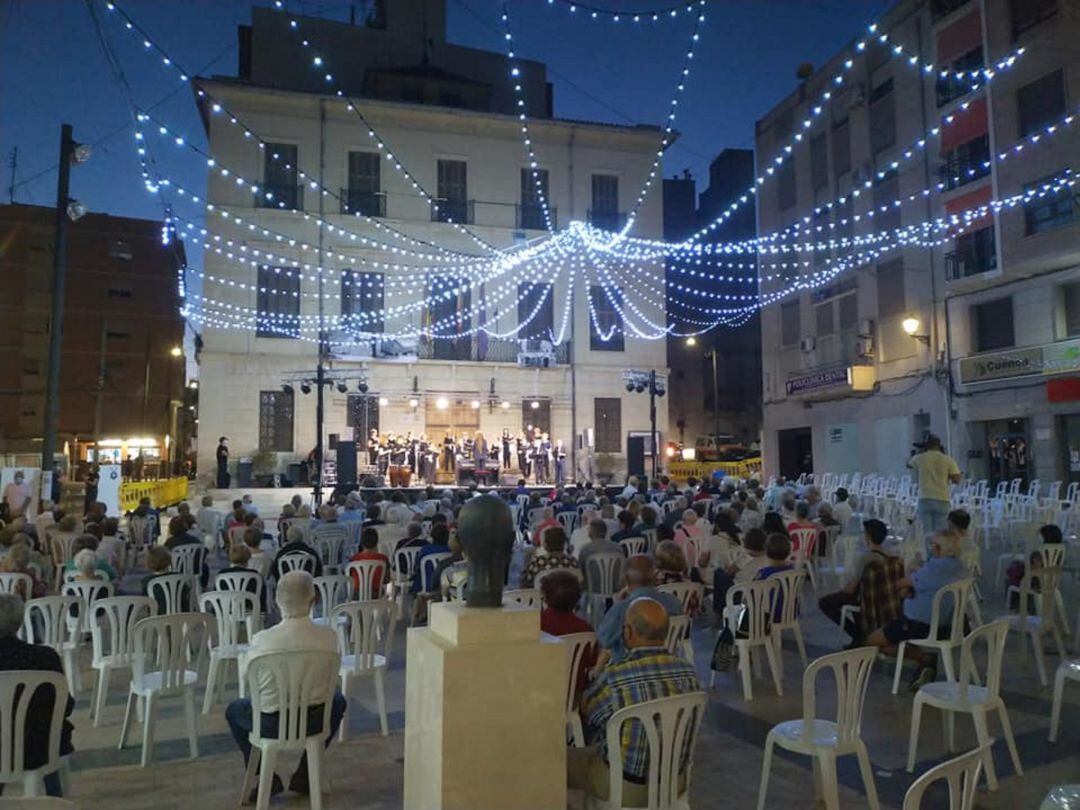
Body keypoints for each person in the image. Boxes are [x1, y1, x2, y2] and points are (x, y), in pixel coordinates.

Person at [226, 571, 346, 799]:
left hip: (270, 723)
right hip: (315, 721)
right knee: (338, 701)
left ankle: (266, 775)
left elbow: (246, 678)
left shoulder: (263, 639)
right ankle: (304, 773)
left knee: (234, 710)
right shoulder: (328, 637)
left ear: (277, 600)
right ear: (313, 600)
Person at [569, 597, 701, 806]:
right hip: (674, 781)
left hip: (626, 786)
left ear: (628, 632)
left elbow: (588, 712)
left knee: (560, 760)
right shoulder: (689, 672)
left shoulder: (616, 675)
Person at [866, 531, 968, 690]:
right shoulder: (961, 567)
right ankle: (923, 660)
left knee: (873, 641)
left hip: (920, 624)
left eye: (932, 545)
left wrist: (912, 569)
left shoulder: (933, 569)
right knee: (893, 631)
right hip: (950, 625)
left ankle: (924, 658)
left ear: (937, 548)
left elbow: (899, 584)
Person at [0, 594, 75, 798]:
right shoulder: (46, 657)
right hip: (40, 748)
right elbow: (66, 707)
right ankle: (55, 799)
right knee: (47, 730)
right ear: (19, 621)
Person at [817, 519, 902, 645]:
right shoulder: (893, 557)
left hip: (867, 599)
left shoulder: (866, 559)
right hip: (885, 599)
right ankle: (860, 636)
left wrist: (842, 591)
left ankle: (858, 636)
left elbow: (851, 589)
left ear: (867, 537)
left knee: (825, 603)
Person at [595, 556, 682, 666]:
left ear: (626, 580)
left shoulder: (621, 609)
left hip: (628, 671)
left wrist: (617, 603)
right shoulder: (674, 602)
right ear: (655, 577)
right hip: (667, 664)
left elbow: (605, 640)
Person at [907, 435, 962, 534]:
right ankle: (940, 548)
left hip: (925, 497)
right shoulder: (948, 459)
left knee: (927, 533)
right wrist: (946, 476)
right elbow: (957, 479)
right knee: (941, 533)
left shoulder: (921, 458)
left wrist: (920, 451)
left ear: (926, 445)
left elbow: (908, 464)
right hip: (942, 498)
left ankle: (929, 549)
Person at [219, 543, 267, 613]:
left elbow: (218, 598)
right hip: (251, 613)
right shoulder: (255, 576)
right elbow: (262, 598)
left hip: (228, 612)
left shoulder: (221, 575)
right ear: (248, 558)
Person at [141, 546, 191, 614]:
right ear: (169, 560)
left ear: (148, 563)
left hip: (158, 618)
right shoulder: (180, 577)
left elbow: (145, 602)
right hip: (181, 615)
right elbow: (187, 593)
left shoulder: (147, 581)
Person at [348, 527, 390, 594]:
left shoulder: (353, 559)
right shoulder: (383, 559)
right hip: (376, 594)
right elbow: (386, 580)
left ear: (362, 543)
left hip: (356, 594)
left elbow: (349, 579)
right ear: (377, 542)